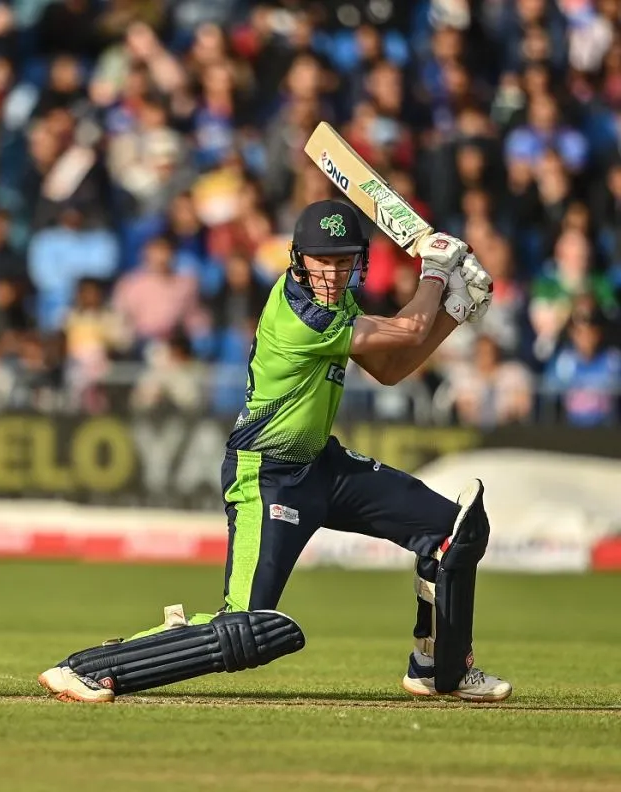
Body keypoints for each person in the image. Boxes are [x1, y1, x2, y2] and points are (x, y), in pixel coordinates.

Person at [38, 199, 511, 705]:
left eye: (345, 259)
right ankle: (89, 667)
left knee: (452, 534)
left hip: (324, 468)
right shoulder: (301, 316)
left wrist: (456, 312)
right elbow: (411, 329)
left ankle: (440, 669)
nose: (333, 272)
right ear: (299, 260)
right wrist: (437, 275)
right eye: (323, 260)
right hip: (268, 477)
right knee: (245, 630)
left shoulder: (339, 305)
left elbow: (392, 368)